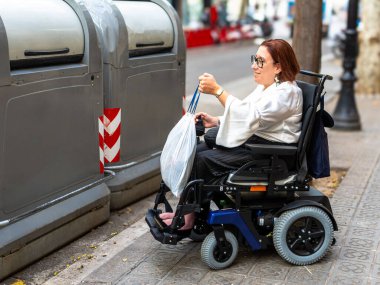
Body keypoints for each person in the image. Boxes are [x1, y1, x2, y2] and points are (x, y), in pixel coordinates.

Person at [160, 39, 303, 230]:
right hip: (258, 144)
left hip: (272, 154)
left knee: (202, 160)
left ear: (278, 67)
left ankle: (188, 218)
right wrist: (217, 120)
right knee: (199, 148)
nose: (254, 66)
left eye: (260, 61)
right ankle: (188, 210)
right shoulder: (267, 87)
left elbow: (249, 116)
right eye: (255, 59)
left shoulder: (287, 94)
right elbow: (245, 113)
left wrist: (217, 91)